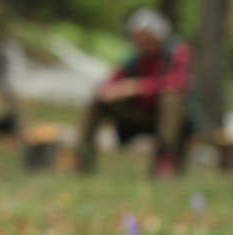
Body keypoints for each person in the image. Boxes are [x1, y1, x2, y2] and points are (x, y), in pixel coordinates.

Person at [77, 8, 195, 177]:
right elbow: (108, 84)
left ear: (157, 35)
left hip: (174, 119)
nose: (141, 44)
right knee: (100, 99)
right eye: (137, 39)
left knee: (171, 98)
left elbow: (179, 83)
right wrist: (110, 91)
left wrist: (137, 87)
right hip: (141, 114)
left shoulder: (177, 51)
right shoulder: (135, 58)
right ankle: (82, 156)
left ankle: (165, 159)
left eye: (146, 38)